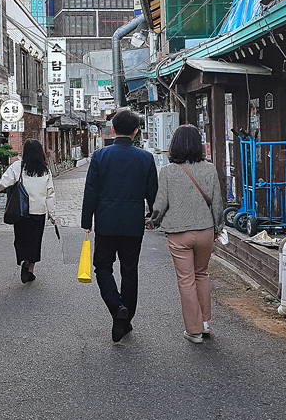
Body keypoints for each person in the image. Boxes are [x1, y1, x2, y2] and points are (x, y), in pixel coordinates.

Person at [81, 109, 158, 342]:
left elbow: (91, 190)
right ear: (136, 132)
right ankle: (125, 319)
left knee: (103, 267)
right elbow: (152, 193)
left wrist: (87, 221)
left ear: (112, 129)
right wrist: (153, 217)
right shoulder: (145, 158)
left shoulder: (100, 156)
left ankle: (117, 308)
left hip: (106, 222)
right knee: (129, 269)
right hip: (133, 223)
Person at [149, 125, 225, 344]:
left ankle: (194, 330)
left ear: (175, 145)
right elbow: (217, 203)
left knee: (186, 280)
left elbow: (160, 204)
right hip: (205, 232)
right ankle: (205, 322)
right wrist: (218, 228)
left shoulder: (168, 171)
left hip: (179, 233)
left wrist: (154, 222)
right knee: (202, 274)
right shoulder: (209, 169)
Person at [0, 139, 56, 283]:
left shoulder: (18, 167)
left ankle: (23, 262)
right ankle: (30, 270)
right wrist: (52, 213)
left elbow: (3, 183)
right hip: (39, 212)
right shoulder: (45, 170)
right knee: (35, 241)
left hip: (21, 211)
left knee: (21, 240)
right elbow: (50, 193)